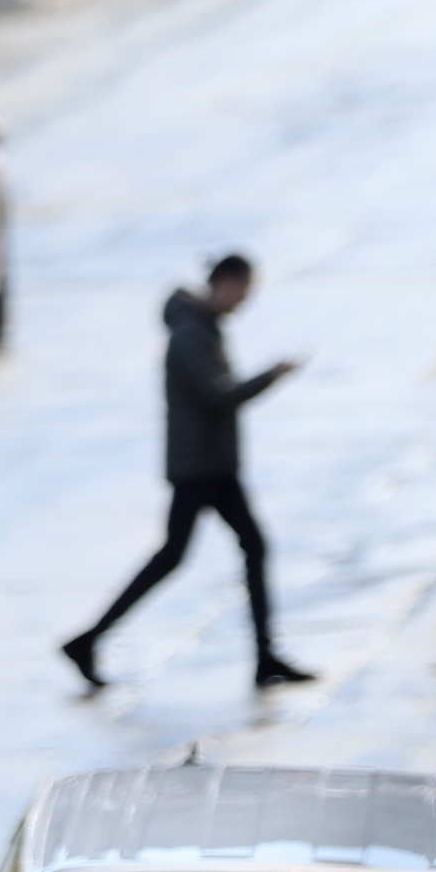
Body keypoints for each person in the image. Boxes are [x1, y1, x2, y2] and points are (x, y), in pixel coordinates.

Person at [63, 254, 312, 690]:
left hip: (211, 466)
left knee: (231, 550)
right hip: (200, 468)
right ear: (224, 282)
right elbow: (219, 397)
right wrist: (271, 375)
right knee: (189, 555)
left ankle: (264, 656)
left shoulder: (202, 328)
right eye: (243, 290)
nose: (244, 301)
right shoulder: (190, 334)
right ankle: (89, 640)